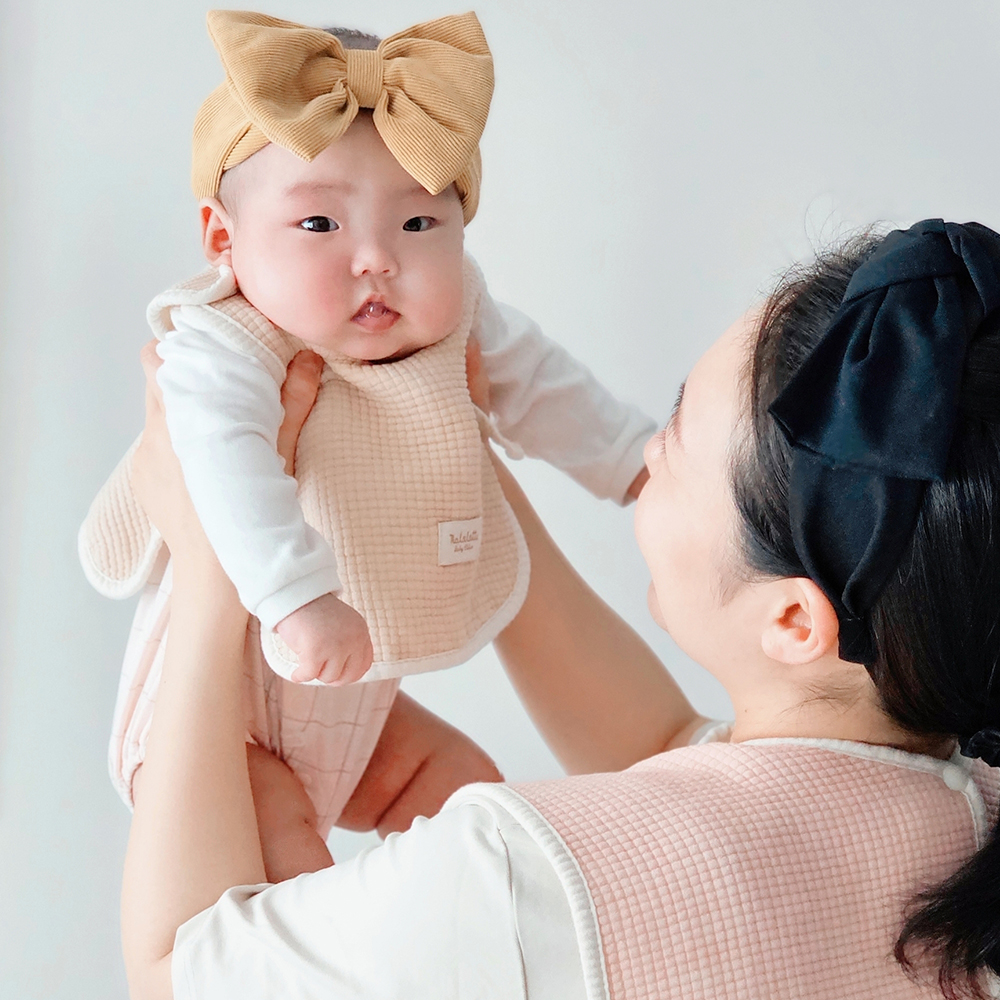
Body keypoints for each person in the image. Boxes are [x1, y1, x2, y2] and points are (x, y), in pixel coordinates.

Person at [121, 220, 1000, 1000]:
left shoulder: (512, 873)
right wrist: (442, 445)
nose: (648, 454)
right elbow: (666, 755)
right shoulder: (971, 812)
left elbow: (178, 969)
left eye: (677, 438)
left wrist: (211, 563)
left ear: (795, 623)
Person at [79, 10, 653, 875]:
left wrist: (631, 459)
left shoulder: (452, 315)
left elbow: (534, 381)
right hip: (221, 716)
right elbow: (223, 456)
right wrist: (295, 594)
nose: (376, 258)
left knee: (468, 790)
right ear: (223, 242)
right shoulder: (223, 341)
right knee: (293, 868)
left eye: (418, 224)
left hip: (351, 703)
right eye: (320, 226)